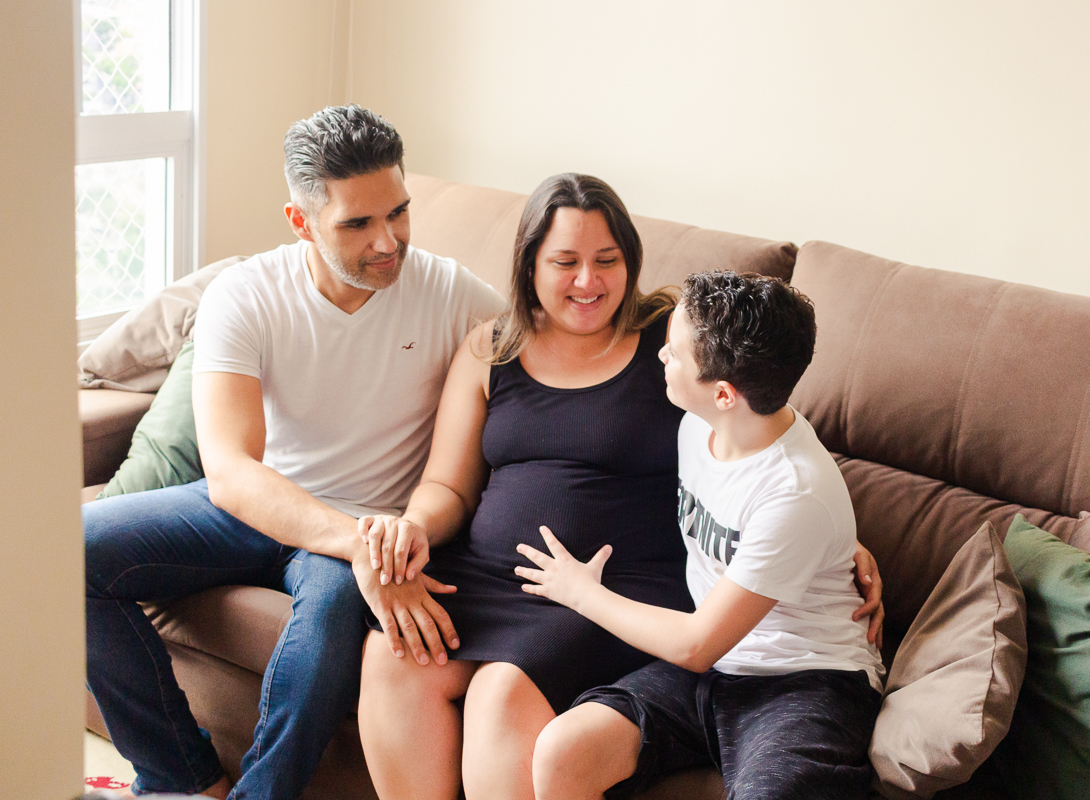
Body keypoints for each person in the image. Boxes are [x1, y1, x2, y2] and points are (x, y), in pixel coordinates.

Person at [355, 175, 884, 800]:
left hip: (619, 583)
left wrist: (841, 543)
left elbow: (759, 417)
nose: (588, 281)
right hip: (499, 575)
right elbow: (447, 483)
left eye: (607, 260)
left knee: (500, 690)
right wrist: (414, 525)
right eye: (565, 262)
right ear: (529, 266)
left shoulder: (671, 339)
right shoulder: (490, 347)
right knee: (391, 657)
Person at [83, 104, 504, 800]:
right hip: (263, 507)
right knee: (67, 553)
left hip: (372, 523)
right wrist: (364, 547)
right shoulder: (246, 296)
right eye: (358, 223)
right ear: (300, 221)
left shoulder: (453, 294)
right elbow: (232, 472)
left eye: (398, 212)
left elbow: (552, 346)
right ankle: (182, 778)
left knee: (331, 624)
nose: (389, 241)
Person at [520, 271, 886, 800]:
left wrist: (582, 592)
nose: (661, 358)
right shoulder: (700, 422)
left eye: (673, 352)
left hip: (804, 678)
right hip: (716, 668)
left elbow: (694, 643)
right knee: (562, 750)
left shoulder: (797, 495)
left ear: (724, 393)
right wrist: (838, 543)